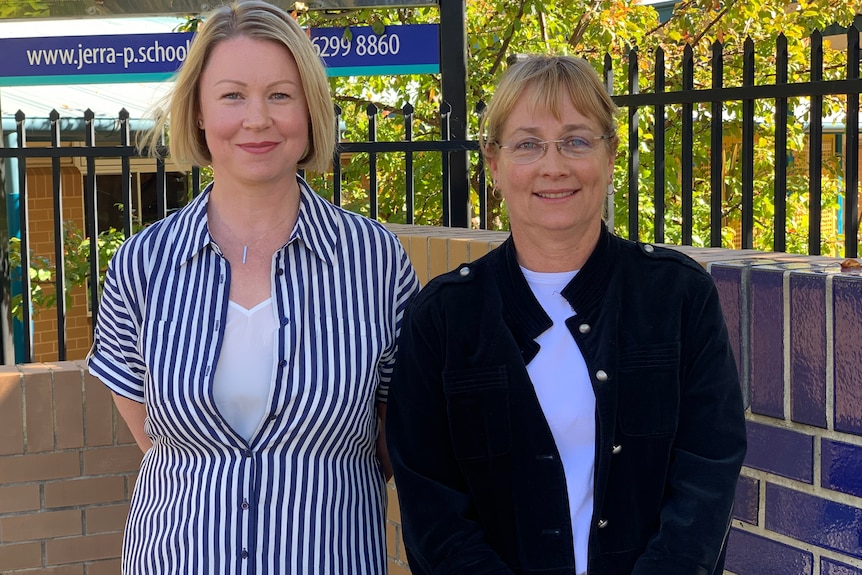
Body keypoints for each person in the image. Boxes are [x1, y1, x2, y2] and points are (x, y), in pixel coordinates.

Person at [87, 2, 419, 573]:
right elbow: (151, 436)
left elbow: (395, 439)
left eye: (280, 95)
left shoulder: (375, 261)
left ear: (311, 109)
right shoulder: (143, 263)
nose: (257, 119)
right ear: (197, 112)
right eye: (233, 95)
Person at [386, 54, 747, 575]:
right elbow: (431, 505)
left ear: (611, 155)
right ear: (493, 164)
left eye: (576, 140)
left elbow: (706, 475)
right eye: (528, 144)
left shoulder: (676, 296)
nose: (554, 166)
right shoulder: (444, 318)